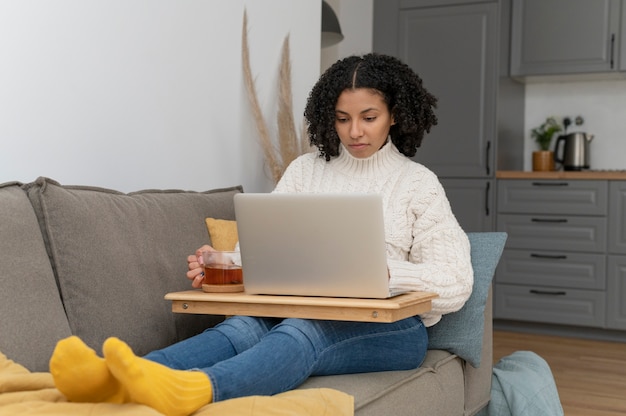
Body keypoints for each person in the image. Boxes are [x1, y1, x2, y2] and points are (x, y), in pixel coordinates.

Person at [49, 53, 473, 416]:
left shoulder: (418, 183)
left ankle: (194, 389)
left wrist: (381, 274)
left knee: (304, 330)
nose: (354, 132)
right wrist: (228, 263)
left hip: (393, 329)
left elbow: (456, 281)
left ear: (395, 115)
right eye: (343, 119)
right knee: (241, 327)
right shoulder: (306, 171)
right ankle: (113, 377)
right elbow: (266, 248)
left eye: (369, 118)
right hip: (297, 308)